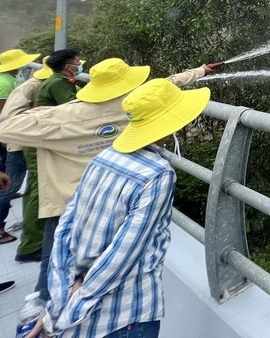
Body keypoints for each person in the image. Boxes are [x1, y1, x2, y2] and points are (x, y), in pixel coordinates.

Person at [0, 57, 216, 303]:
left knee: (55, 273)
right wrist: (200, 71)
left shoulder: (60, 117)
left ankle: (50, 311)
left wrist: (30, 84)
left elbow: (6, 125)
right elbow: (166, 84)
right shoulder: (133, 106)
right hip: (115, 199)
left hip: (67, 205)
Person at [28, 78, 211, 338]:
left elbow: (66, 226)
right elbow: (124, 252)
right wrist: (67, 314)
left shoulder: (104, 156)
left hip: (80, 303)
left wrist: (57, 304)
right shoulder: (158, 174)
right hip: (126, 316)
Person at [18, 50, 86, 264]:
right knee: (39, 193)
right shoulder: (58, 84)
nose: (79, 64)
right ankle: (31, 245)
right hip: (43, 145)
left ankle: (33, 242)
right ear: (68, 66)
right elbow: (76, 110)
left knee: (38, 191)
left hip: (44, 141)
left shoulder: (58, 80)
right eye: (76, 61)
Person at [0, 57, 51, 245]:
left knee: (13, 182)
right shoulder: (37, 86)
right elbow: (5, 114)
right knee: (10, 184)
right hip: (20, 141)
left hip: (17, 138)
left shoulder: (30, 83)